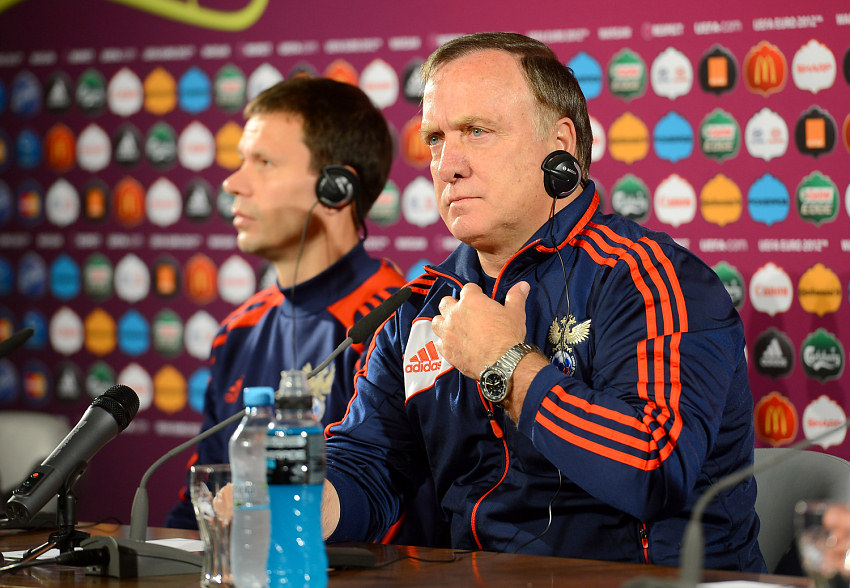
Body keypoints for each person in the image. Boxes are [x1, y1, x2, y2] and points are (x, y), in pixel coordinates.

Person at [320, 32, 766, 572]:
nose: (447, 164)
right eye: (435, 138)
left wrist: (505, 365)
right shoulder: (419, 308)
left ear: (559, 144)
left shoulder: (650, 278)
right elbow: (368, 464)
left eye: (477, 131)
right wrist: (298, 507)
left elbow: (654, 466)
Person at [165, 77, 406, 529]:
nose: (233, 182)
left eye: (264, 163)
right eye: (242, 160)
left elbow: (392, 508)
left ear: (336, 189)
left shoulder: (393, 324)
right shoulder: (237, 331)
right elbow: (205, 503)